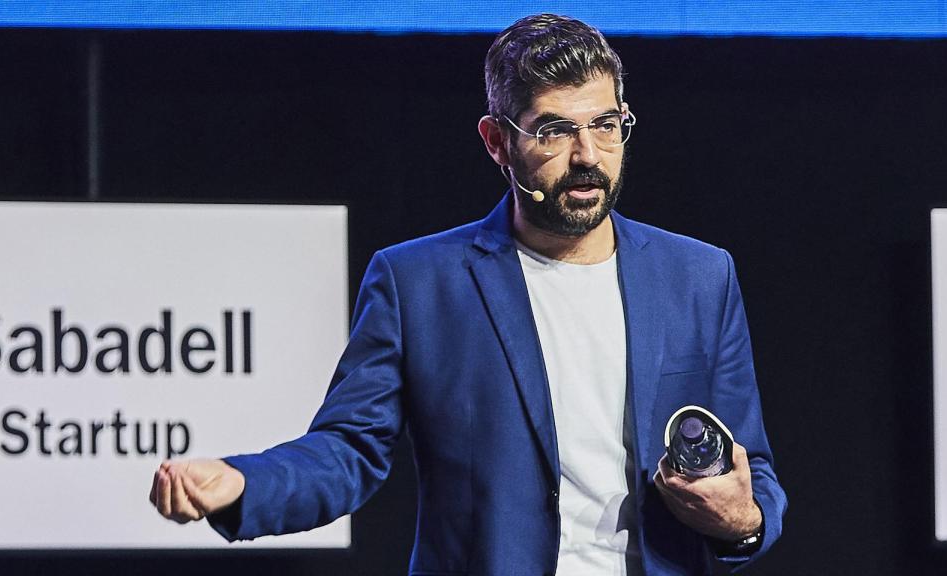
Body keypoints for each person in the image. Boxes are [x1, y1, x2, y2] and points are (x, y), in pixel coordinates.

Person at [150, 13, 786, 575]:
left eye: (605, 125)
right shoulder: (419, 283)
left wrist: (742, 521)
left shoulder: (700, 277)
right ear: (497, 142)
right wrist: (242, 482)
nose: (587, 155)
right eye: (554, 131)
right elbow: (349, 451)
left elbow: (750, 473)